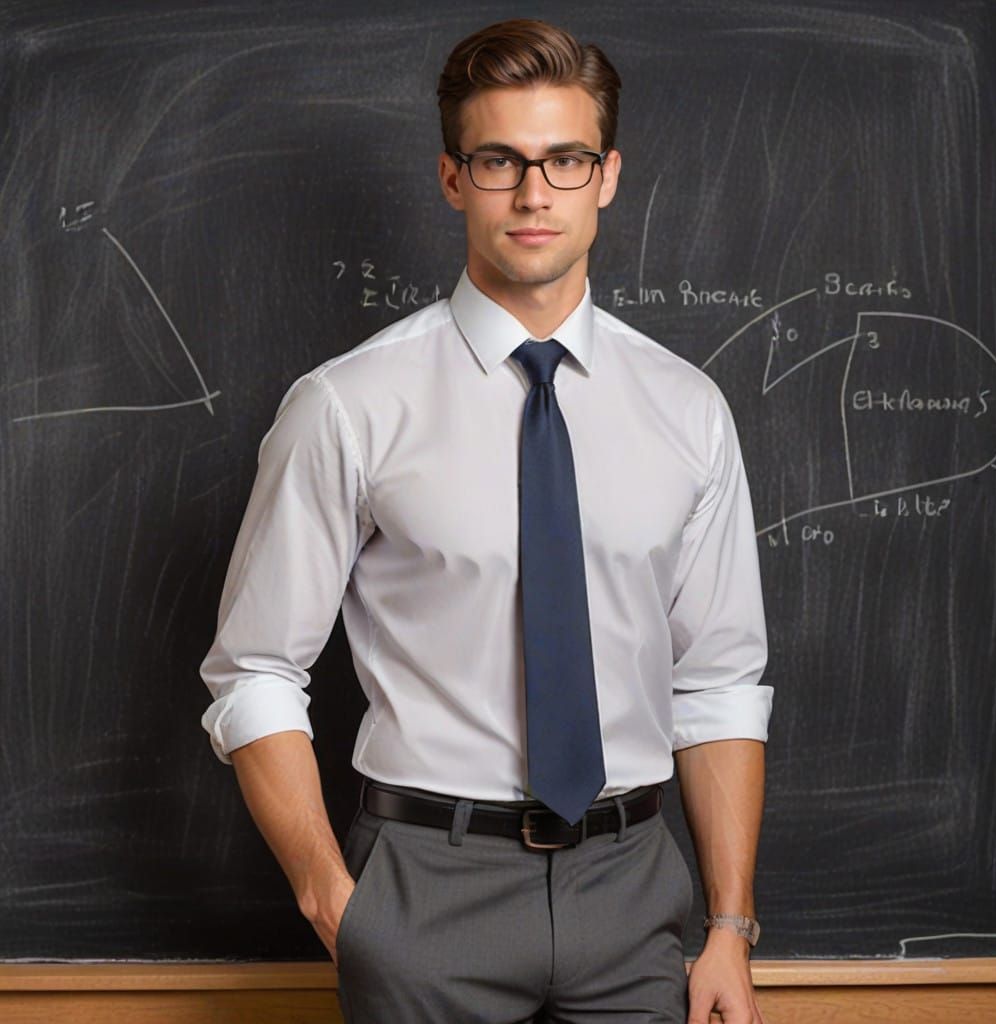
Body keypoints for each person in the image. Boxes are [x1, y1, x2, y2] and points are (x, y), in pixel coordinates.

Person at [199, 18, 773, 1024]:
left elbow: (716, 682)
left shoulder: (688, 409)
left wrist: (728, 925)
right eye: (500, 159)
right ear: (453, 177)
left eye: (565, 159)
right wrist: (333, 896)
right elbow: (253, 672)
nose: (534, 192)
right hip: (425, 889)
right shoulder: (349, 404)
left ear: (608, 175)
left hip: (636, 893)